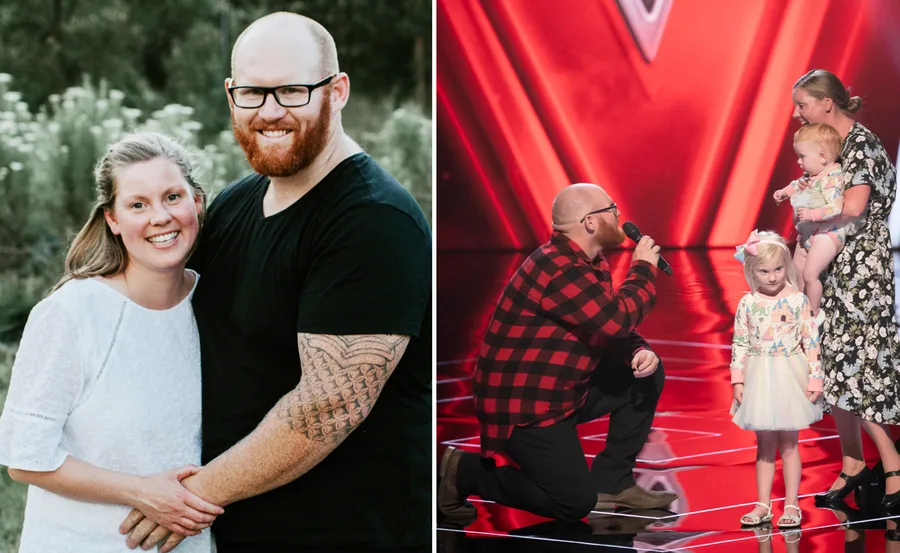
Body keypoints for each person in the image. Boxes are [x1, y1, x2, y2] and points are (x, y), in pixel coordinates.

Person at [118, 12, 432, 553]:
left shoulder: (373, 220)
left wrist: (188, 500)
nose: (269, 113)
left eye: (291, 91)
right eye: (252, 93)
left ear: (337, 92)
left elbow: (328, 407)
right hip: (242, 521)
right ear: (230, 94)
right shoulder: (241, 199)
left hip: (347, 528)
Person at [0, 132, 223, 552]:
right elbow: (24, 457)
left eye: (173, 197)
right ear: (113, 220)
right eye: (138, 204)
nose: (160, 216)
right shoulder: (72, 313)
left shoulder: (219, 303)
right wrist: (141, 491)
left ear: (197, 202)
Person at [437, 183, 677, 525]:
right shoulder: (558, 268)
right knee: (573, 503)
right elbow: (615, 319)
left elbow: (602, 321)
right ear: (590, 222)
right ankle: (466, 472)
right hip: (525, 405)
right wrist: (642, 268)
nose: (620, 216)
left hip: (561, 393)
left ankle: (614, 481)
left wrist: (639, 348)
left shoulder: (587, 262)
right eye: (612, 209)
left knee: (647, 373)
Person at [788, 69, 900, 508]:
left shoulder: (863, 145)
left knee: (859, 369)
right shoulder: (829, 145)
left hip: (860, 268)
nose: (797, 114)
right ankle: (853, 463)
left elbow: (853, 208)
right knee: (832, 364)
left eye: (802, 105)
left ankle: (892, 464)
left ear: (826, 102)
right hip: (834, 258)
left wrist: (809, 213)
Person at [730, 230, 823, 528]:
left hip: (788, 375)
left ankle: (792, 504)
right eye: (764, 271)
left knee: (790, 444)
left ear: (787, 266)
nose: (771, 277)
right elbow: (740, 343)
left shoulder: (797, 301)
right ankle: (762, 504)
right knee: (764, 445)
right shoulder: (747, 303)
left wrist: (814, 380)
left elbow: (811, 343)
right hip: (759, 377)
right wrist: (737, 380)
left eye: (778, 269)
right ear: (752, 271)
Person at [773, 123, 846, 324]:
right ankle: (797, 309)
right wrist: (782, 193)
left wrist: (812, 214)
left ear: (822, 157)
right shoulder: (813, 176)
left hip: (827, 234)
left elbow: (836, 208)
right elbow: (795, 185)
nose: (798, 161)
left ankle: (813, 313)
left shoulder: (833, 178)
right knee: (796, 274)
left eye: (802, 157)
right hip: (807, 234)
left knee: (810, 273)